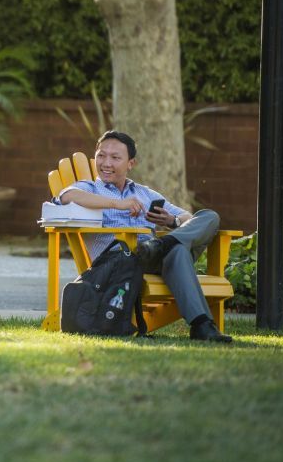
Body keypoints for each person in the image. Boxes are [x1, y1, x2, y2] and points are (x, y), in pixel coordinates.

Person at [56, 130, 232, 342]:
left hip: (154, 255)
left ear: (131, 163)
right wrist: (118, 204)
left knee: (209, 217)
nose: (106, 163)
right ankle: (202, 325)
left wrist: (171, 221)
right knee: (178, 252)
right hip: (122, 263)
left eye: (115, 157)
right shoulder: (89, 188)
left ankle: (162, 243)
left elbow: (187, 217)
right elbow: (66, 196)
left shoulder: (144, 193)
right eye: (101, 155)